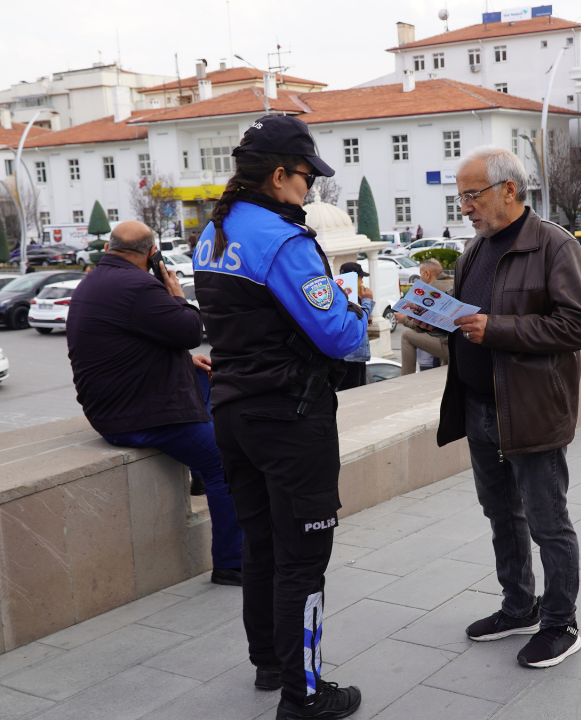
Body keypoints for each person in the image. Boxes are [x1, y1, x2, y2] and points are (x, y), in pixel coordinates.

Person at [190, 115, 369, 719]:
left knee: (262, 546)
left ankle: (270, 663)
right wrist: (356, 310)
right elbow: (338, 336)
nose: (309, 188)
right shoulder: (284, 241)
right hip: (289, 419)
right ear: (277, 176)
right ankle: (305, 695)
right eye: (305, 177)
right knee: (304, 562)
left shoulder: (214, 232)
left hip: (233, 414)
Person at [432, 145, 581, 669]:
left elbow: (577, 327)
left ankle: (560, 623)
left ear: (509, 189)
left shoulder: (553, 245)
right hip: (479, 407)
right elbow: (469, 323)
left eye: (472, 195)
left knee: (548, 521)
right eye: (460, 198)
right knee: (501, 514)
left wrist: (497, 329)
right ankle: (519, 607)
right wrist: (431, 316)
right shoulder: (473, 251)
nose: (465, 207)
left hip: (531, 409)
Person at [65, 220, 244, 587]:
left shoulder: (93, 282)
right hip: (136, 416)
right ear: (152, 254)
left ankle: (199, 474)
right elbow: (191, 331)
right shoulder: (141, 287)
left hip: (110, 405)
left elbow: (128, 343)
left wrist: (184, 362)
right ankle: (234, 563)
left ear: (108, 249)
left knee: (201, 375)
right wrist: (176, 294)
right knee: (226, 461)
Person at [395, 257, 452, 375]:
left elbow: (421, 326)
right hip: (459, 341)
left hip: (450, 346)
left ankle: (406, 378)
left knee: (406, 336)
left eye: (420, 276)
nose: (420, 280)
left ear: (427, 274)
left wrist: (403, 318)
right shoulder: (453, 282)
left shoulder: (430, 291)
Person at [336, 261, 376, 390]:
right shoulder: (345, 297)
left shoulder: (353, 297)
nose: (362, 282)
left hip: (357, 356)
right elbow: (353, 319)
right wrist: (367, 300)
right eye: (360, 278)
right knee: (352, 392)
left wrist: (365, 319)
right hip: (349, 357)